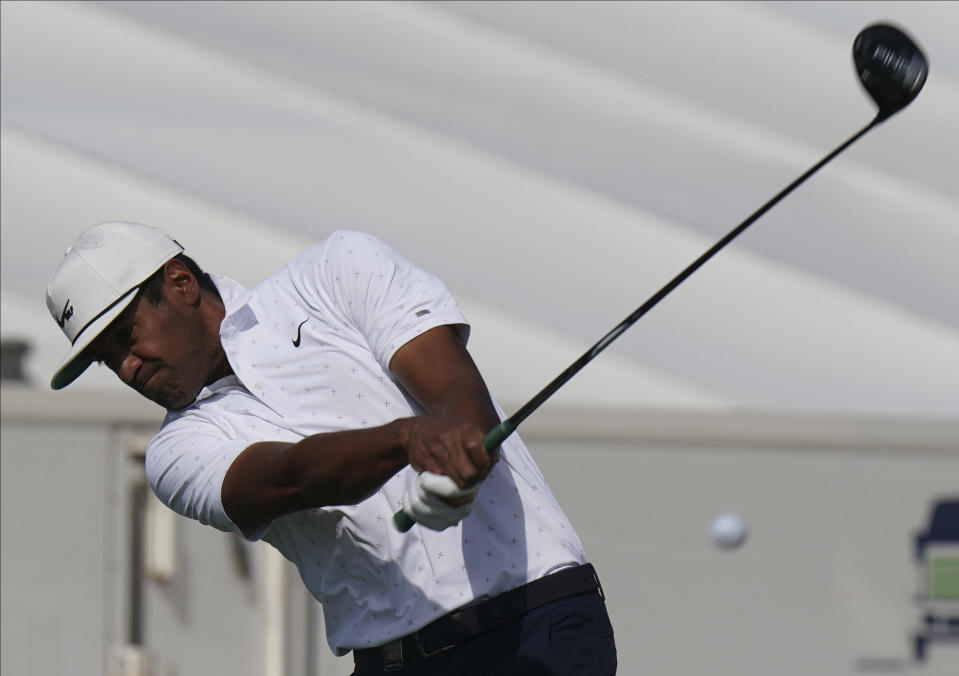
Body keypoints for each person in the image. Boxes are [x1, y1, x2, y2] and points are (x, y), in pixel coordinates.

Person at [46, 221, 616, 675]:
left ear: (181, 283)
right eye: (107, 358)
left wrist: (464, 445)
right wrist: (408, 440)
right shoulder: (172, 452)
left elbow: (455, 389)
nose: (126, 366)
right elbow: (285, 478)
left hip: (537, 624)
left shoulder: (337, 270)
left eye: (125, 336)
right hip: (394, 664)